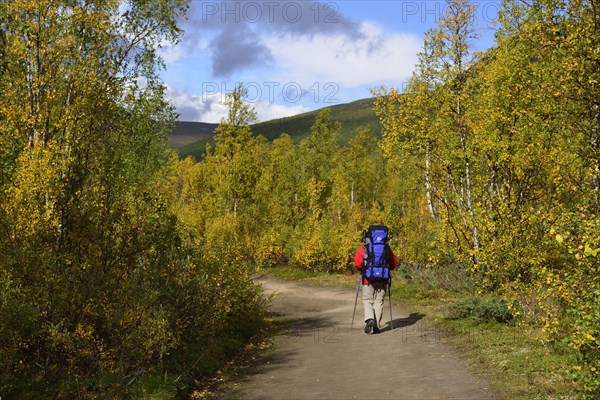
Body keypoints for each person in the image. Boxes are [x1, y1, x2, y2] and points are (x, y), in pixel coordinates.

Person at [354, 228, 398, 334]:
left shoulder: (364, 247)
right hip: (383, 278)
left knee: (368, 300)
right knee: (379, 301)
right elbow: (394, 263)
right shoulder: (386, 248)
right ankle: (376, 326)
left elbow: (357, 262)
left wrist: (363, 269)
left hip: (368, 278)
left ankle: (370, 319)